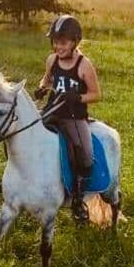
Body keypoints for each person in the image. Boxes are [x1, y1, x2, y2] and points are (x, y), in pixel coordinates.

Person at [34, 15, 101, 222]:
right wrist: (42, 89)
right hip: (53, 110)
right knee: (27, 134)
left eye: (62, 42)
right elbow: (47, 79)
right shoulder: (52, 59)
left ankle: (78, 200)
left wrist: (78, 97)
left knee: (85, 155)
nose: (58, 46)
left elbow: (97, 94)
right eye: (55, 41)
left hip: (74, 116)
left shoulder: (84, 65)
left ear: (74, 42)